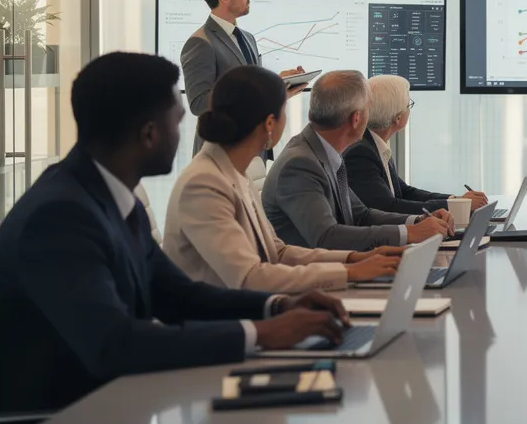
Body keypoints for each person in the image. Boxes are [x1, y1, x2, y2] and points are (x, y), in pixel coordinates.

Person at [0, 52, 348, 418]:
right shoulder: (60, 217)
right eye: (178, 121)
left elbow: (175, 294)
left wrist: (277, 306)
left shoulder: (106, 194)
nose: (185, 134)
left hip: (110, 407)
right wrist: (261, 334)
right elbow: (114, 343)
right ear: (148, 134)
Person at [164, 66, 406, 292]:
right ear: (270, 123)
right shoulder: (204, 183)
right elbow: (250, 277)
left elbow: (277, 252)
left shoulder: (235, 172)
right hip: (219, 327)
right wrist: (348, 271)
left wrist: (353, 259)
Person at [262, 70, 452, 251]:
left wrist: (418, 221)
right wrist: (409, 233)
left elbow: (361, 215)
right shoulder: (300, 165)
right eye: (369, 107)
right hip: (311, 278)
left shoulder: (324, 151)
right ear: (356, 118)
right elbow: (327, 237)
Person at [180, 0, 305, 155]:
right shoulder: (200, 42)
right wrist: (258, 91)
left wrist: (277, 87)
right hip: (222, 153)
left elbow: (253, 90)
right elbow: (198, 103)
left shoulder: (248, 38)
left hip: (254, 149)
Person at [344, 74, 488, 216]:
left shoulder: (373, 144)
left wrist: (456, 200)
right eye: (409, 105)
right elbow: (388, 207)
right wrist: (457, 205)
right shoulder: (360, 153)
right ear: (398, 117)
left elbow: (405, 192)